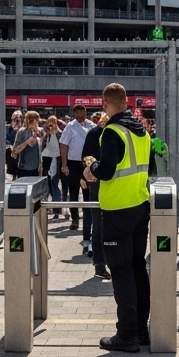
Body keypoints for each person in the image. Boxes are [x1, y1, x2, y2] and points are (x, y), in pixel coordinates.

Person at [84, 83, 157, 353]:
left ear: (105, 104)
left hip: (117, 211)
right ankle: (141, 330)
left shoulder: (112, 132)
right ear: (126, 102)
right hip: (139, 206)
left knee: (121, 271)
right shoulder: (141, 131)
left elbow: (107, 171)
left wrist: (92, 166)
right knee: (138, 267)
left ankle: (126, 335)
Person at [80, 113, 110, 278]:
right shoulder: (101, 133)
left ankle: (100, 265)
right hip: (104, 183)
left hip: (97, 182)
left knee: (98, 225)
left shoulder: (93, 133)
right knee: (102, 225)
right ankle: (102, 263)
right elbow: (86, 158)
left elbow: (85, 157)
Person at [59, 104, 93, 231]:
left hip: (88, 163)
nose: (79, 115)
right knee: (73, 192)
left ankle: (88, 219)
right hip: (73, 163)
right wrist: (64, 164)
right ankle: (74, 219)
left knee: (88, 193)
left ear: (85, 112)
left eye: (82, 112)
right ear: (74, 114)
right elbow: (64, 145)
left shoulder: (92, 126)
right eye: (77, 113)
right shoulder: (70, 126)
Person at [11, 110, 44, 180]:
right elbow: (15, 150)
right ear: (31, 120)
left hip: (36, 168)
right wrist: (26, 143)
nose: (38, 122)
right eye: (36, 120)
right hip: (25, 168)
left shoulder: (40, 131)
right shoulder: (22, 132)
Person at [41, 115, 63, 203]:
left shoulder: (59, 134)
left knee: (54, 183)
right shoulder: (46, 135)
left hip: (56, 160)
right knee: (47, 183)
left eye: (53, 123)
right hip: (46, 160)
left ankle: (56, 205)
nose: (50, 125)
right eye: (49, 123)